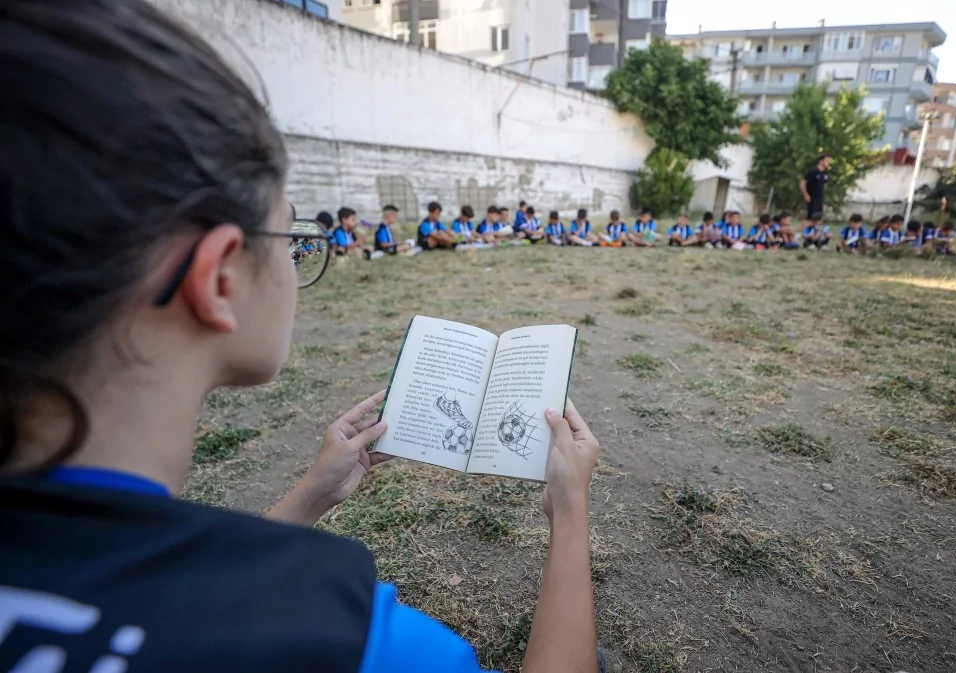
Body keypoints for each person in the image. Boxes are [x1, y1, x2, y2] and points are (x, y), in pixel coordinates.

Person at [0, 3, 604, 673]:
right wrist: (570, 510)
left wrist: (311, 493)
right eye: (290, 237)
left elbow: (176, 583)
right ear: (220, 278)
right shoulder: (350, 639)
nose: (296, 261)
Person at [799, 153, 831, 226]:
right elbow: (802, 183)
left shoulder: (825, 173)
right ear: (821, 161)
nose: (828, 162)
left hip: (820, 199)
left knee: (818, 219)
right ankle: (798, 234)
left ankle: (814, 235)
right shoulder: (814, 171)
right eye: (827, 160)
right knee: (810, 219)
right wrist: (806, 195)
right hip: (813, 198)